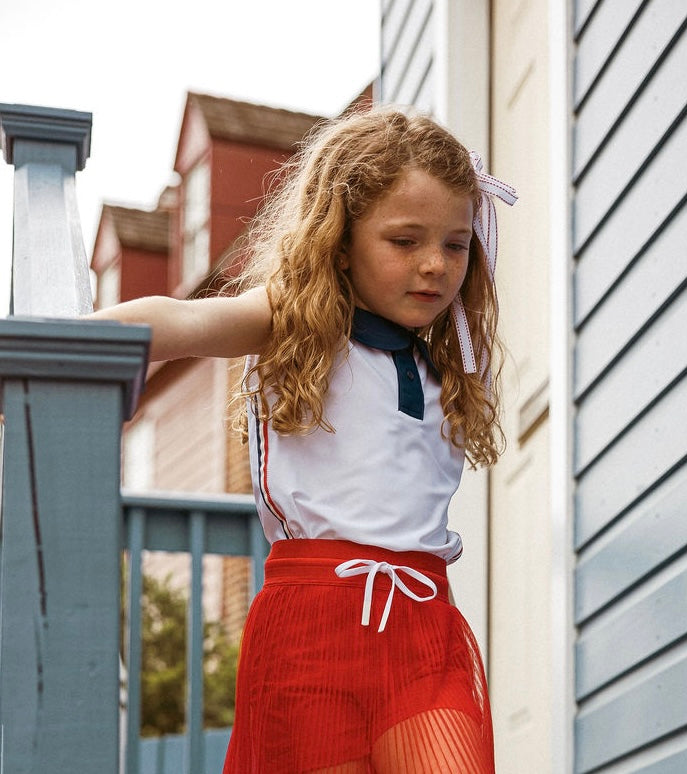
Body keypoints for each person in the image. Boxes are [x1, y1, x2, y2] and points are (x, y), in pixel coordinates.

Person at [91, 105, 516, 773]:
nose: (435, 264)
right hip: (313, 631)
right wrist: (55, 350)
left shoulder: (450, 367)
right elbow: (180, 321)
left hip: (425, 632)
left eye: (455, 244)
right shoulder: (296, 324)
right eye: (405, 241)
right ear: (342, 241)